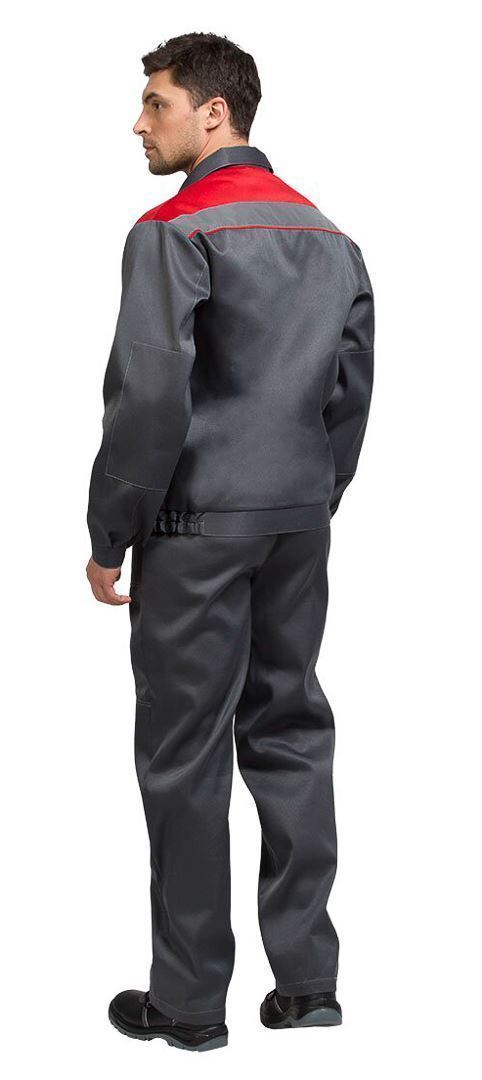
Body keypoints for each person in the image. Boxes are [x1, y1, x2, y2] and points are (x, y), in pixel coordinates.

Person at [86, 31, 375, 1053]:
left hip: (195, 527)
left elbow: (148, 401)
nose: (139, 123)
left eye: (156, 103)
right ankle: (308, 984)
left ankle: (189, 1002)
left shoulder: (173, 231)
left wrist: (111, 532)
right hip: (295, 523)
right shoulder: (330, 237)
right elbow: (350, 393)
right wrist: (309, 499)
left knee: (185, 755)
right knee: (291, 730)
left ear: (215, 113)